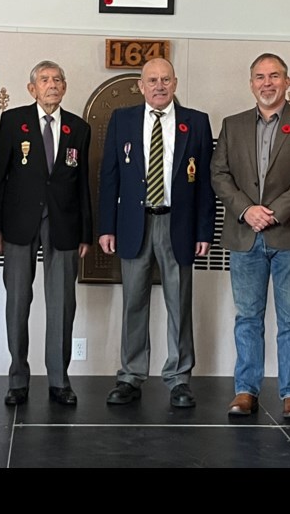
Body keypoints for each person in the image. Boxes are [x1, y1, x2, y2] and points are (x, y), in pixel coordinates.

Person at [211, 53, 290, 418]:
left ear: (286, 81)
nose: (267, 83)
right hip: (245, 234)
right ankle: (246, 390)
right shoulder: (233, 125)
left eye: (274, 76)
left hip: (289, 234)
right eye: (260, 77)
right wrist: (247, 209)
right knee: (247, 318)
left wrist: (273, 212)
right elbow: (219, 174)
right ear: (251, 84)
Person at [99, 58, 215, 408]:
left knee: (178, 303)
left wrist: (204, 230)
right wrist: (107, 226)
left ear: (175, 83)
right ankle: (130, 376)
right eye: (152, 80)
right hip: (135, 224)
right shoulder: (123, 120)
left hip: (177, 225)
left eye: (165, 79)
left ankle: (178, 379)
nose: (159, 86)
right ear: (141, 85)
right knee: (133, 301)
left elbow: (206, 183)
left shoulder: (196, 122)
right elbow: (110, 176)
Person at [0, 60, 92, 406]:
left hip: (63, 226)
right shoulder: (12, 121)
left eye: (58, 80)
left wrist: (86, 234)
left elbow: (83, 186)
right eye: (45, 80)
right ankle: (17, 378)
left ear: (65, 87)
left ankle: (60, 380)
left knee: (62, 304)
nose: (52, 85)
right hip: (18, 224)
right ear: (32, 88)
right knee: (18, 301)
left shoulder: (77, 127)